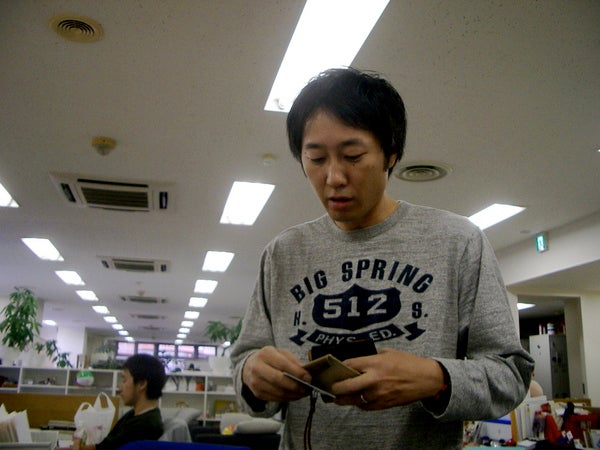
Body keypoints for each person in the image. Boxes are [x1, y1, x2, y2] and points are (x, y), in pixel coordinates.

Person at [230, 67, 534, 449]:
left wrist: (435, 379)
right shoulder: (283, 254)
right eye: (316, 158)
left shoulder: (457, 242)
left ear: (391, 154)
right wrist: (252, 375)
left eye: (353, 156)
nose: (333, 177)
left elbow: (510, 375)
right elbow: (245, 365)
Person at [62, 354, 166, 450]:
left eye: (124, 380)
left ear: (142, 384)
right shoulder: (137, 415)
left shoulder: (145, 426)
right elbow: (106, 446)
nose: (120, 387)